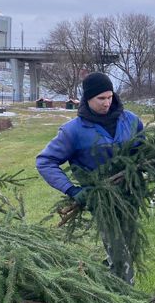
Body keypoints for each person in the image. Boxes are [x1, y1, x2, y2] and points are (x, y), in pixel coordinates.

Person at [36, 72, 144, 284]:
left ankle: (102, 278)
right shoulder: (73, 131)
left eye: (110, 97)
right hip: (102, 201)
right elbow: (45, 161)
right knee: (120, 254)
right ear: (88, 99)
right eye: (101, 99)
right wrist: (73, 190)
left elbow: (143, 153)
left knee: (128, 248)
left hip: (130, 196)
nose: (107, 103)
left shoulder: (131, 121)